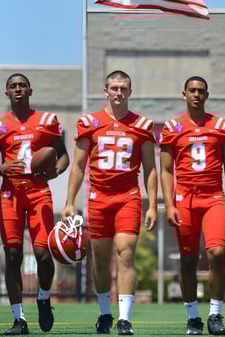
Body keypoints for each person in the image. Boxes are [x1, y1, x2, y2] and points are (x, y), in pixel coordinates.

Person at [62, 70, 158, 335]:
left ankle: (125, 318)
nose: (119, 92)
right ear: (106, 91)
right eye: (114, 88)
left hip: (128, 195)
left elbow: (150, 168)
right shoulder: (90, 122)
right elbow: (78, 166)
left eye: (123, 88)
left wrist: (151, 204)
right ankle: (105, 313)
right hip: (99, 196)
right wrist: (70, 201)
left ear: (130, 91)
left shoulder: (142, 125)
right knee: (101, 259)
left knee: (126, 252)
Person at [0, 73, 69, 335]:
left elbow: (63, 155)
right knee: (13, 256)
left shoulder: (46, 121)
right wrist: (2, 167)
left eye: (22, 85)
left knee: (44, 254)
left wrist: (54, 171)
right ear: (7, 93)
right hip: (10, 192)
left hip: (38, 191)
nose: (18, 89)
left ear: (30, 91)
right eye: (13, 86)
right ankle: (19, 318)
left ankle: (43, 298)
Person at [159, 76, 225, 336]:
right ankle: (193, 317)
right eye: (192, 90)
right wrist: (168, 203)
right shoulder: (172, 126)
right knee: (188, 260)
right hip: (185, 198)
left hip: (214, 196)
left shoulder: (221, 125)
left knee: (217, 253)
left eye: (201, 91)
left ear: (207, 95)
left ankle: (215, 314)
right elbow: (166, 169)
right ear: (184, 94)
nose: (196, 95)